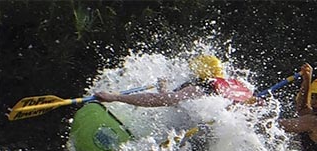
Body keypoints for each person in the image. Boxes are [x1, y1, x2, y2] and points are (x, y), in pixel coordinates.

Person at [94, 55, 253, 106]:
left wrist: (116, 97)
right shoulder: (234, 86)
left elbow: (162, 100)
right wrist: (164, 87)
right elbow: (174, 101)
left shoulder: (200, 88)